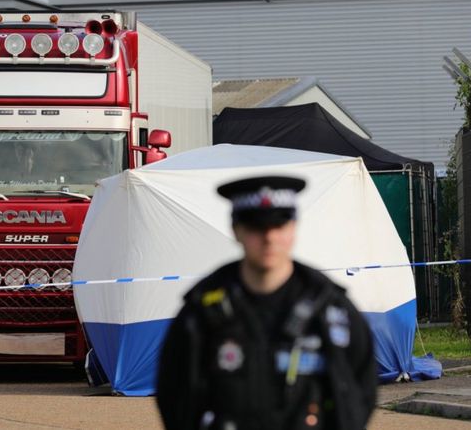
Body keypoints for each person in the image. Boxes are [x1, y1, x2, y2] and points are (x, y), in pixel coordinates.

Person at [156, 176, 377, 430]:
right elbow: (174, 395)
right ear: (236, 230)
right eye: (255, 227)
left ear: (293, 227)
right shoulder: (202, 311)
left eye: (279, 224)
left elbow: (361, 390)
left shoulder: (330, 307)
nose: (269, 237)